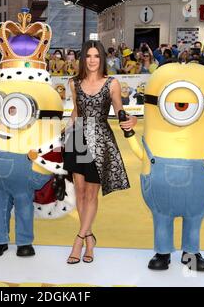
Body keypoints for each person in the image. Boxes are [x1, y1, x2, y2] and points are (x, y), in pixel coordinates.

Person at [63, 40, 137, 264]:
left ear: (102, 59)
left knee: (92, 194)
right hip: (77, 138)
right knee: (80, 191)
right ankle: (90, 238)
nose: (92, 60)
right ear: (83, 59)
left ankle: (79, 239)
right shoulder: (73, 83)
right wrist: (64, 131)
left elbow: (120, 110)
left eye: (96, 56)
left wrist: (131, 119)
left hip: (100, 139)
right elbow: (76, 111)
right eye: (88, 56)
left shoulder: (112, 83)